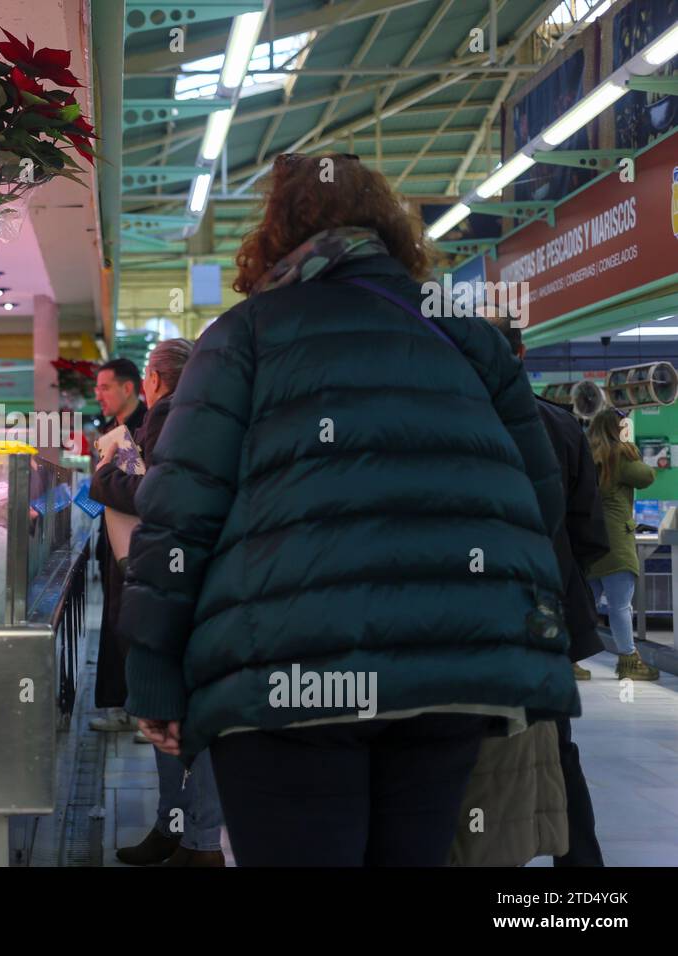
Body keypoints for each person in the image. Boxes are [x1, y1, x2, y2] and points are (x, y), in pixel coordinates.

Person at [119, 152, 579, 867]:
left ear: (275, 235)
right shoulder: (465, 336)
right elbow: (541, 495)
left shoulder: (245, 336)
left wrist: (154, 669)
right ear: (388, 228)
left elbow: (180, 514)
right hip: (447, 674)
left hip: (286, 669)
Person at [93, 339, 225, 867]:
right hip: (198, 582)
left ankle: (197, 838)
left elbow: (158, 495)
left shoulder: (173, 418)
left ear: (152, 378)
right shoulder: (203, 416)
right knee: (182, 709)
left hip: (176, 582)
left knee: (174, 708)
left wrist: (105, 474)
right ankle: (186, 832)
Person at [493, 320, 608, 867]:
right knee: (556, 749)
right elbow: (589, 535)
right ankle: (581, 873)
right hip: (548, 616)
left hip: (475, 621)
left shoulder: (455, 419)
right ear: (521, 351)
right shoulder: (562, 425)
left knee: (467, 756)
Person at [89, 357, 146, 733]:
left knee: (137, 623)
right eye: (96, 388)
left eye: (105, 387)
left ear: (130, 387)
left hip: (142, 545)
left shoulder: (150, 426)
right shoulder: (111, 428)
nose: (98, 395)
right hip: (114, 543)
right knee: (115, 620)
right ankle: (120, 706)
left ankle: (144, 708)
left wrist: (103, 478)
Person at [586, 409, 661, 681]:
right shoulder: (618, 455)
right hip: (616, 541)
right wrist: (629, 448)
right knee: (620, 606)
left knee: (586, 604)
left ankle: (566, 659)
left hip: (589, 538)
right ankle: (629, 660)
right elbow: (647, 477)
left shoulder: (586, 455)